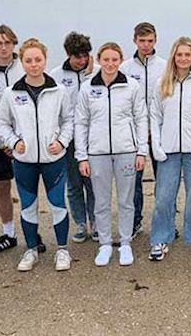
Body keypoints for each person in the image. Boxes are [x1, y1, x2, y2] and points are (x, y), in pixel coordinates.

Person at [0, 38, 73, 272]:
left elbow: (69, 120)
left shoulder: (58, 91)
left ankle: (62, 250)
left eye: (38, 60)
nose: (34, 64)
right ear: (23, 62)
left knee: (58, 205)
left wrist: (61, 142)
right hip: (24, 161)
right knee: (28, 206)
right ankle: (31, 250)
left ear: (45, 60)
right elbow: (1, 122)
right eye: (28, 60)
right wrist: (14, 142)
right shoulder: (11, 93)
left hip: (54, 160)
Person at [76, 42, 148, 266]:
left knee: (126, 201)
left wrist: (141, 151)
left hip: (127, 151)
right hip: (97, 154)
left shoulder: (132, 86)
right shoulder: (87, 88)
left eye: (114, 59)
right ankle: (105, 244)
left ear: (120, 60)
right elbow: (81, 122)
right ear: (98, 59)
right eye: (106, 59)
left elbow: (141, 118)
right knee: (101, 201)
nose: (110, 64)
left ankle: (125, 243)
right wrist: (82, 156)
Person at [148, 37, 191, 261]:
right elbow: (155, 116)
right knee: (163, 197)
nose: (183, 58)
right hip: (167, 151)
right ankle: (160, 239)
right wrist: (156, 145)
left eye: (188, 55)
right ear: (174, 57)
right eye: (179, 55)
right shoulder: (162, 83)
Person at [0, 25, 37, 255]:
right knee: (3, 187)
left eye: (7, 43)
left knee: (28, 187)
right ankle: (9, 233)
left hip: (26, 140)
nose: (3, 47)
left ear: (14, 44)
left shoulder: (25, 69)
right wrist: (4, 142)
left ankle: (32, 233)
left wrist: (20, 140)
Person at [50, 32, 98, 243]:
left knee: (93, 183)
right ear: (68, 54)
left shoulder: (96, 72)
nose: (81, 60)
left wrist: (88, 74)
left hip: (93, 138)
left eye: (85, 55)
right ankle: (80, 223)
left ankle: (96, 222)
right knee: (74, 183)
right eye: (77, 56)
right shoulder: (56, 75)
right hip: (68, 139)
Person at [120, 22, 166, 238]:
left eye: (150, 41)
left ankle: (164, 221)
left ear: (155, 41)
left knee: (164, 181)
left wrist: (155, 127)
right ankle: (134, 221)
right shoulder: (125, 68)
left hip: (160, 132)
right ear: (134, 40)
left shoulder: (165, 67)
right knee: (133, 182)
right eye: (142, 41)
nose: (146, 45)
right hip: (134, 134)